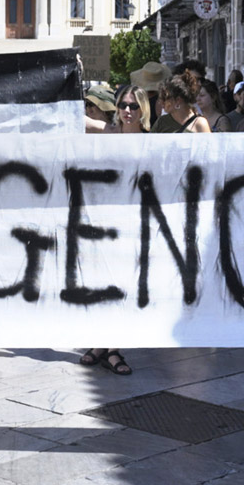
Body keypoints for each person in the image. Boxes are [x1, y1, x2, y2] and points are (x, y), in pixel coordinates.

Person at [79, 84, 149, 377]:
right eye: (123, 106)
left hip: (135, 221)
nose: (128, 111)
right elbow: (74, 118)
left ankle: (113, 347)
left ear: (143, 109)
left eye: (134, 106)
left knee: (124, 283)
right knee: (101, 280)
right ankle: (101, 343)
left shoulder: (152, 141)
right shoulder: (109, 132)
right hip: (104, 217)